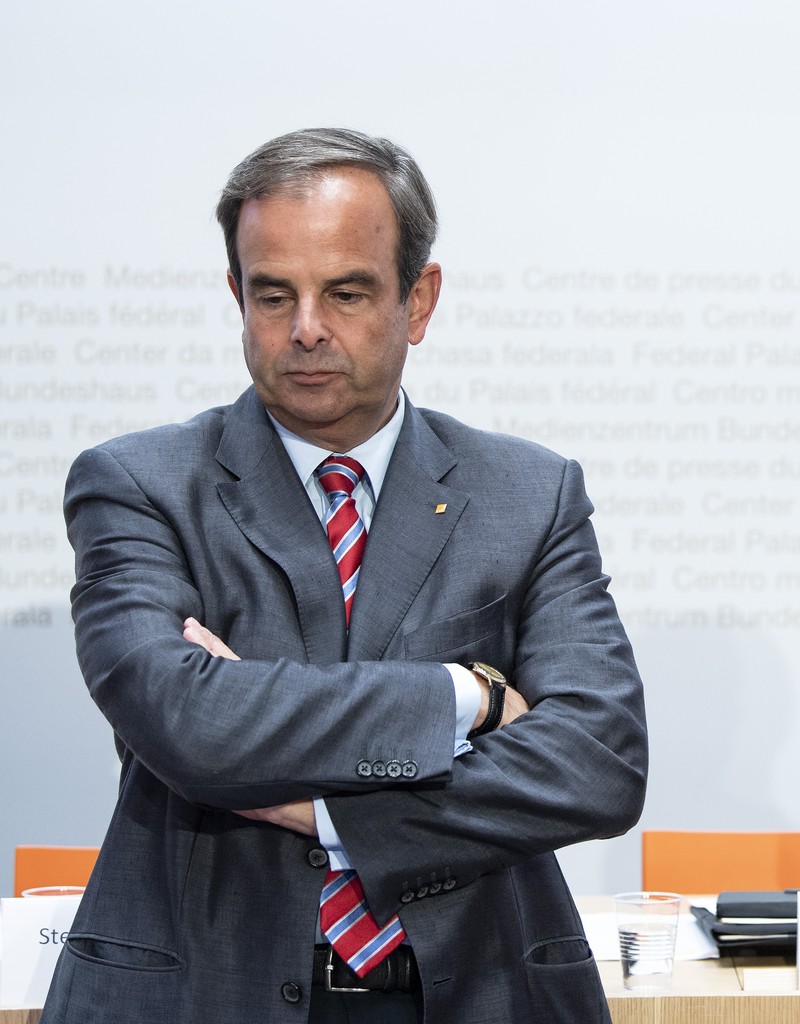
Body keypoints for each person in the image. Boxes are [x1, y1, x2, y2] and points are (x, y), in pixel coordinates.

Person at [47, 127, 648, 1024]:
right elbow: (183, 722)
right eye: (273, 294)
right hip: (203, 994)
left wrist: (325, 810)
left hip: (477, 994)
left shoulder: (529, 493)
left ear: (419, 300)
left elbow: (597, 761)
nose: (307, 330)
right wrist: (467, 698)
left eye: (348, 292)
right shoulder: (138, 485)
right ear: (236, 297)